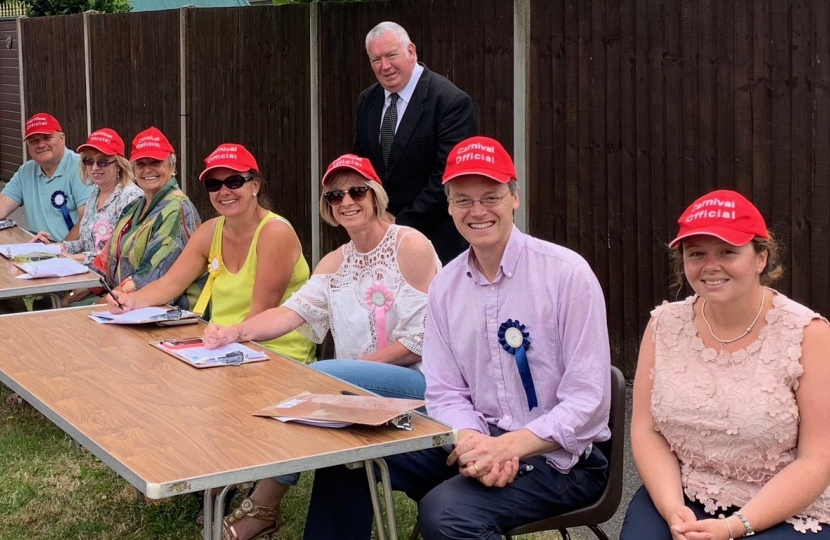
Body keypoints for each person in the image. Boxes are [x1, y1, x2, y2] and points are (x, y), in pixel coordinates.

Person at [300, 136, 612, 540]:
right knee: (346, 458)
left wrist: (509, 447)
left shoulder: (567, 275)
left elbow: (589, 401)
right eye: (463, 200)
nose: (477, 211)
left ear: (514, 198)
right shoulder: (446, 285)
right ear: (448, 206)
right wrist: (473, 440)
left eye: (491, 197)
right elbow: (444, 391)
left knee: (446, 514)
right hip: (473, 438)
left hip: (559, 459)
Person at [201, 153, 440, 540]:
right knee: (332, 432)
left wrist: (347, 383)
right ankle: (256, 499)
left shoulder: (410, 245)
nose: (346, 201)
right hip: (354, 394)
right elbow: (289, 313)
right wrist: (236, 332)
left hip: (421, 388)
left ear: (376, 194)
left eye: (356, 191)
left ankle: (262, 504)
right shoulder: (333, 262)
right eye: (334, 195)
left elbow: (421, 342)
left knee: (313, 380)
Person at [621, 190, 830, 539]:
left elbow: (816, 461)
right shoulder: (663, 325)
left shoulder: (809, 334)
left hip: (784, 506)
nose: (711, 266)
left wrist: (734, 527)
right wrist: (674, 511)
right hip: (684, 493)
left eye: (728, 252)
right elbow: (646, 431)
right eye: (697, 253)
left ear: (760, 258)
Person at [105, 143, 315, 363]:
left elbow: (260, 314)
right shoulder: (210, 230)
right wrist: (131, 301)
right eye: (214, 184)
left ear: (255, 186)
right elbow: (171, 284)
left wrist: (219, 343)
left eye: (234, 181)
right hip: (219, 347)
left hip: (274, 353)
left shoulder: (275, 233)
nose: (224, 191)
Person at [354, 21, 477, 265]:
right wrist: (374, 219)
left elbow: (447, 178)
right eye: (376, 59)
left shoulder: (450, 102)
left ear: (411, 51)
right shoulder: (367, 100)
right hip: (379, 241)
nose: (385, 66)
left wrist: (399, 225)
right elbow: (361, 166)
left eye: (391, 55)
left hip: (437, 244)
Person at [93, 127, 203, 309]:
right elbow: (104, 261)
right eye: (141, 164)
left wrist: (96, 306)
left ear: (172, 167)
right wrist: (72, 295)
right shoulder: (133, 207)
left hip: (161, 313)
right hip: (121, 305)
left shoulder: (177, 210)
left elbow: (149, 278)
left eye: (155, 162)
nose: (147, 170)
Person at [32, 128, 143, 307]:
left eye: (103, 162)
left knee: (52, 302)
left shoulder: (131, 197)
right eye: (89, 161)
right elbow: (86, 242)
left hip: (112, 286)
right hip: (87, 274)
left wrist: (68, 257)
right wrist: (56, 247)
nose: (94, 168)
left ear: (119, 165)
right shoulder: (95, 194)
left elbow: (118, 256)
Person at [0, 112, 92, 242]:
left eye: (47, 138)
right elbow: (2, 207)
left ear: (62, 138)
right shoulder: (26, 171)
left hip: (73, 254)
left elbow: (87, 221)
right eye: (34, 141)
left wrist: (60, 251)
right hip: (40, 249)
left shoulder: (81, 167)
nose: (41, 145)